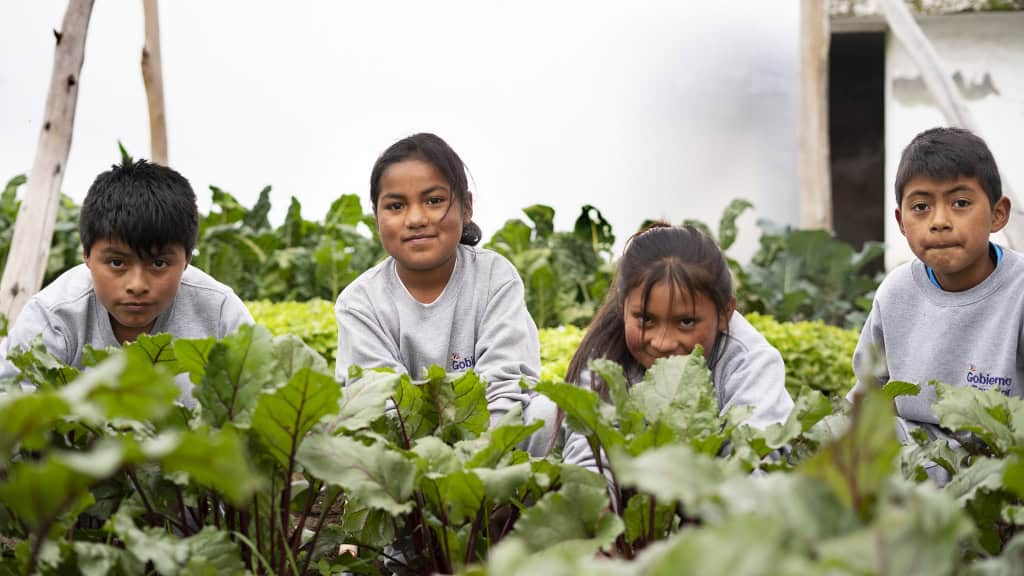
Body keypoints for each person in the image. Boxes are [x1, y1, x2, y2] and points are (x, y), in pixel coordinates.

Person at [334, 133, 543, 443]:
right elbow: (384, 410)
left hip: (491, 456)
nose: (416, 219)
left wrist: (478, 471)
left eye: (434, 201)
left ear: (466, 207)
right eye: (396, 206)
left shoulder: (494, 278)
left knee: (546, 413)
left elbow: (505, 387)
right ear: (376, 217)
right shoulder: (360, 302)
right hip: (399, 470)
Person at [0, 158, 253, 404]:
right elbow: (11, 415)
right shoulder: (52, 316)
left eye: (159, 264)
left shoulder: (221, 315)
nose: (137, 284)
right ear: (86, 255)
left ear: (187, 258)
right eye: (117, 263)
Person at [849, 127, 1021, 483]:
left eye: (960, 203)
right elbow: (870, 394)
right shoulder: (895, 292)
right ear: (901, 221)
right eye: (921, 207)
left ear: (997, 214)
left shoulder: (1019, 293)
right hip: (910, 462)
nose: (940, 221)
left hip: (1001, 466)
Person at [556, 223, 794, 471]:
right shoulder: (604, 359)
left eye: (686, 321)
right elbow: (588, 466)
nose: (662, 342)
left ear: (725, 313)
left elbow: (756, 467)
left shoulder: (750, 362)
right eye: (646, 319)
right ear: (623, 307)